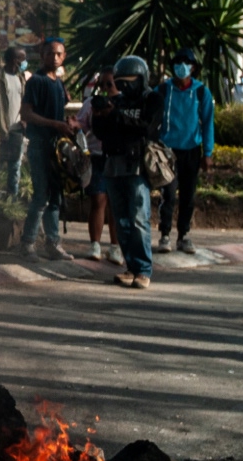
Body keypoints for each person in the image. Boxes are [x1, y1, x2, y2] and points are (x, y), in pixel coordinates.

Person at [90, 54, 164, 289]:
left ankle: (143, 269)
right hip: (113, 164)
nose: (124, 87)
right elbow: (103, 134)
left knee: (138, 218)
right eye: (119, 82)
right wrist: (99, 116)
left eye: (129, 82)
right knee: (121, 220)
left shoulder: (152, 99)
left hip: (138, 165)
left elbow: (146, 129)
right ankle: (131, 266)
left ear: (141, 78)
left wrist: (115, 116)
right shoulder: (118, 101)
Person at [19, 37, 73, 260]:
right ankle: (28, 243)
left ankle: (53, 243)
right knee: (41, 196)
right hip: (40, 145)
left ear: (64, 56)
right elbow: (26, 113)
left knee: (55, 197)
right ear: (42, 55)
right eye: (50, 53)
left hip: (56, 148)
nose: (55, 57)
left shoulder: (58, 83)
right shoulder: (36, 81)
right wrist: (55, 124)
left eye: (59, 54)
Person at [157, 47, 214, 254]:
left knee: (188, 195)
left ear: (193, 68)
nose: (182, 67)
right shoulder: (163, 90)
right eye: (178, 63)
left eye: (186, 63)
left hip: (191, 150)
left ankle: (184, 235)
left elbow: (208, 123)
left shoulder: (201, 91)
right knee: (168, 194)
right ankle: (165, 234)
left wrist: (208, 153)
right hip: (168, 150)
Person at [74, 71, 117, 264]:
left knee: (115, 204)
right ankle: (95, 244)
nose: (106, 89)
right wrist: (75, 125)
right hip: (97, 156)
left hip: (117, 157)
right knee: (98, 200)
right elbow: (81, 124)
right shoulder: (91, 104)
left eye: (110, 84)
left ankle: (115, 246)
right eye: (102, 85)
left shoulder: (123, 103)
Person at [0, 45, 29, 197]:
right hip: (2, 131)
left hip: (17, 129)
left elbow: (24, 101)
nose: (24, 62)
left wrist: (25, 119)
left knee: (15, 168)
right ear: (15, 60)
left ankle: (12, 200)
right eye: (22, 59)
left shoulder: (20, 78)